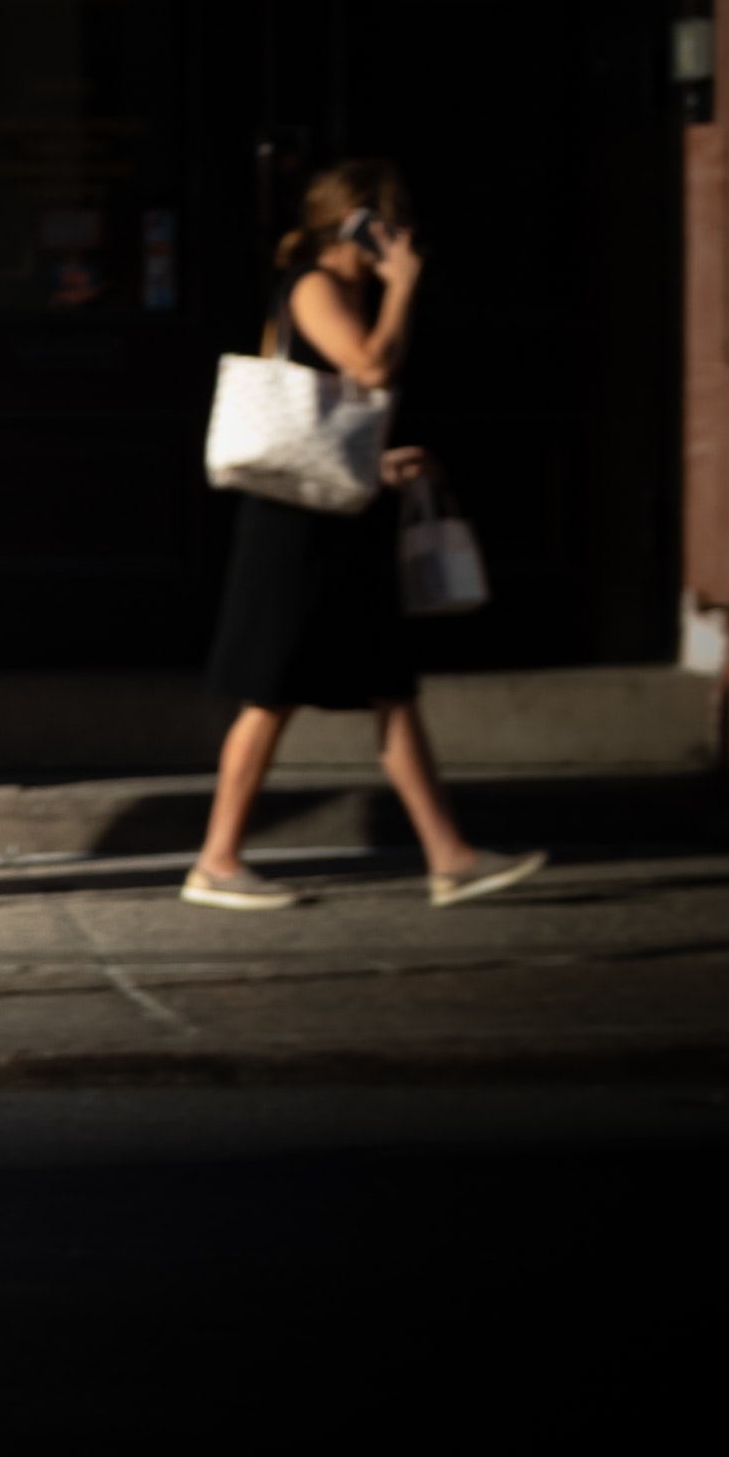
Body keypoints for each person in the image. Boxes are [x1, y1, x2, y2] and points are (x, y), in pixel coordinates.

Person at [186, 159, 543, 913]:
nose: (404, 237)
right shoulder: (314, 284)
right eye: (392, 221)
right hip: (294, 529)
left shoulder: (340, 290)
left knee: (390, 685)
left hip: (340, 516)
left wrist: (374, 462)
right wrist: (404, 286)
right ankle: (216, 861)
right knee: (271, 690)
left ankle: (451, 855)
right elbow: (372, 367)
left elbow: (332, 413)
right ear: (358, 225)